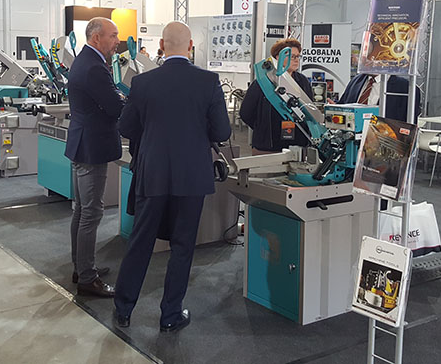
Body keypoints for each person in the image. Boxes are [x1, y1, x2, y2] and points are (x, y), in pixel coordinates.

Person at [113, 22, 232, 332]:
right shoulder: (208, 81)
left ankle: (123, 309)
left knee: (140, 241)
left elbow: (126, 127)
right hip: (191, 176)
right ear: (190, 46)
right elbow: (222, 131)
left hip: (152, 173)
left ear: (162, 46)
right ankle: (170, 315)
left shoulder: (143, 83)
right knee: (182, 245)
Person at [65, 17, 124, 297]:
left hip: (82, 142)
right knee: (91, 212)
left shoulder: (84, 61)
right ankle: (88, 278)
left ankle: (81, 266)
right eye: (113, 36)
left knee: (81, 210)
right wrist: (128, 101)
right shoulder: (94, 67)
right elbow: (114, 106)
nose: (117, 42)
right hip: (93, 146)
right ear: (96, 37)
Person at [239, 38, 314, 155]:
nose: (296, 60)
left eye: (298, 56)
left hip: (298, 146)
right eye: (292, 56)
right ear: (278, 57)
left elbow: (310, 110)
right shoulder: (262, 83)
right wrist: (262, 129)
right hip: (267, 147)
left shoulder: (303, 82)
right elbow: (246, 113)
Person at [338, 73, 421, 122]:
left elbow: (409, 126)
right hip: (351, 143)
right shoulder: (356, 81)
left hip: (385, 142)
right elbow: (343, 106)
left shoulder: (406, 88)